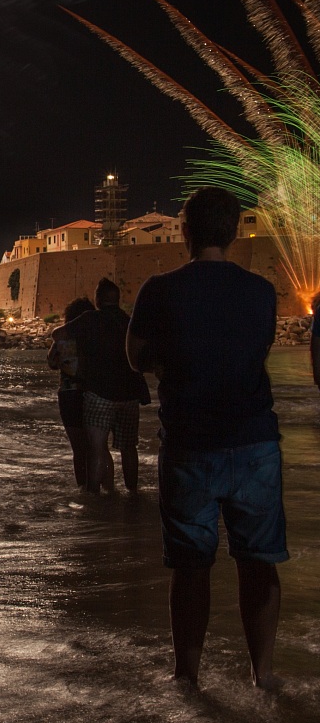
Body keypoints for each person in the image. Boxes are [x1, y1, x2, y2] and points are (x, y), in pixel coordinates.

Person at [127, 186, 287, 689]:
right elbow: (255, 349)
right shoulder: (262, 292)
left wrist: (169, 361)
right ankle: (262, 677)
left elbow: (136, 356)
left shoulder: (159, 288)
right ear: (236, 232)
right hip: (255, 444)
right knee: (258, 564)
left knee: (192, 567)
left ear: (186, 233)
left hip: (190, 445)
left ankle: (187, 679)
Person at [51, 278, 149, 493]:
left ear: (98, 299)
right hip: (129, 393)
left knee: (96, 448)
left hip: (100, 393)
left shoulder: (90, 320)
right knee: (129, 448)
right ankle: (132, 494)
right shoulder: (128, 321)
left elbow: (57, 336)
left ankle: (94, 498)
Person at [47, 297, 113, 489]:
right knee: (100, 447)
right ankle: (109, 490)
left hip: (69, 396)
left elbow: (51, 362)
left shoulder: (63, 340)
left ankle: (85, 492)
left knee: (79, 449)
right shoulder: (98, 339)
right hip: (97, 394)